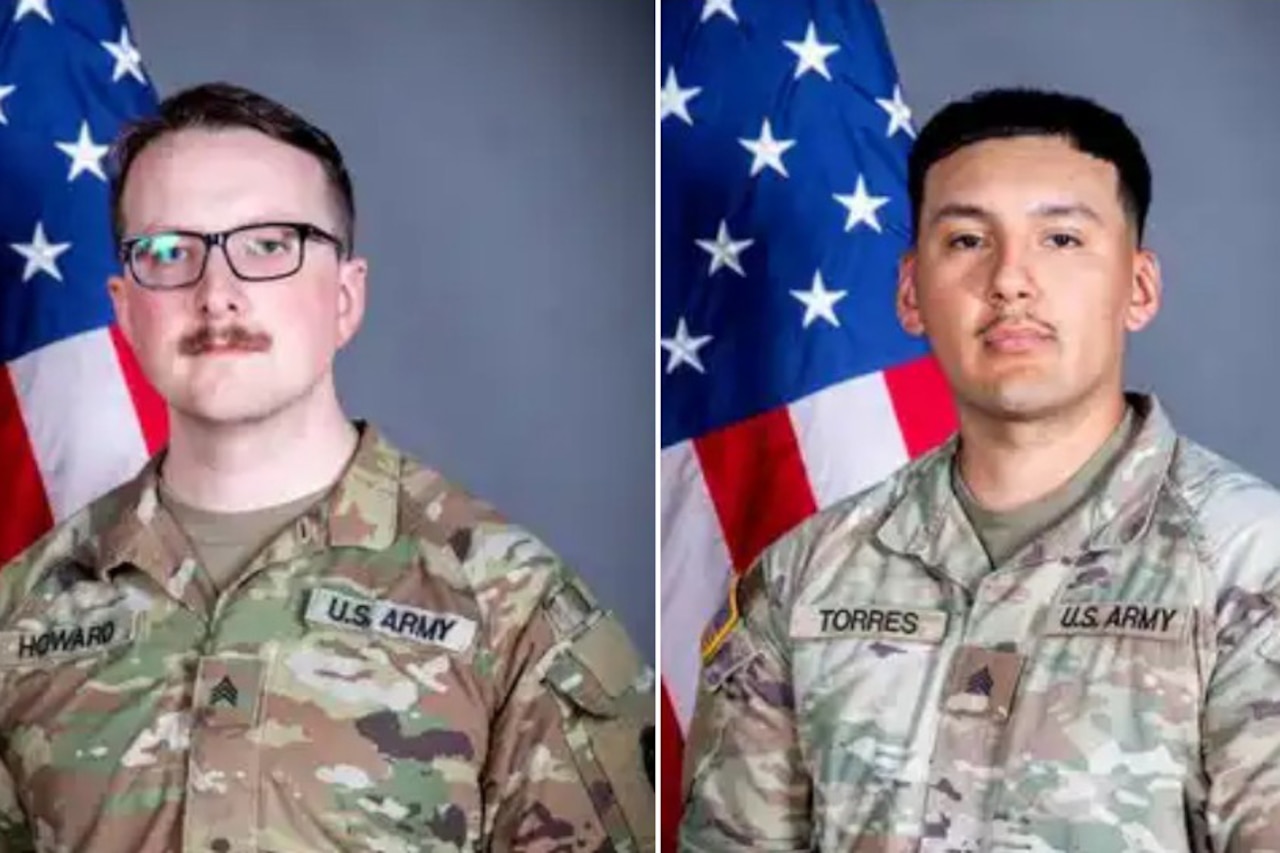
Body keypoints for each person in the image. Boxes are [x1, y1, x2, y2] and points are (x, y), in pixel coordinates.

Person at [0, 82, 654, 852]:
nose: (219, 294)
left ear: (345, 297)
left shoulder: (512, 606)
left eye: (269, 245)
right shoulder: (21, 608)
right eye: (170, 252)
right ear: (124, 307)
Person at [678, 87, 1280, 851]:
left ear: (1139, 287)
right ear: (909, 293)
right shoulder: (802, 577)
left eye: (1061, 239)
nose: (1009, 280)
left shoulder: (1253, 565)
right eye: (967, 240)